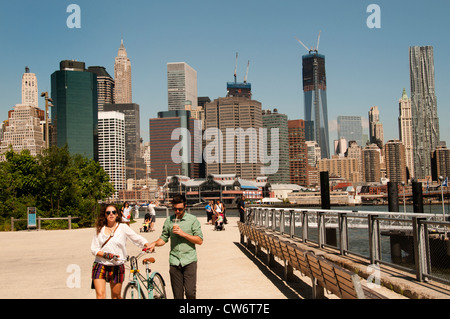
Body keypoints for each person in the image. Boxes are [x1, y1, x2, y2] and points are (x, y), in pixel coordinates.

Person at [148, 194, 203, 299]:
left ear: (185, 207)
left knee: (190, 293)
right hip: (174, 261)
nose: (177, 212)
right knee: (178, 296)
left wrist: (184, 234)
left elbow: (199, 240)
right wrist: (154, 243)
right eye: (175, 209)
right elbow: (163, 238)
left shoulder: (192, 220)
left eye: (180, 209)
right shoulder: (169, 221)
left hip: (189, 260)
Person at [90, 204, 151, 299]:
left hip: (117, 265)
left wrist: (147, 245)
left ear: (117, 214)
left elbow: (136, 238)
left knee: (116, 296)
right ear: (105, 215)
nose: (111, 214)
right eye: (108, 212)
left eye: (113, 212)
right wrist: (106, 255)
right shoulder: (100, 229)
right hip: (100, 263)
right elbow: (94, 249)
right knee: (100, 295)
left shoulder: (123, 227)